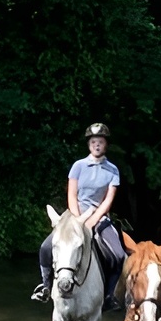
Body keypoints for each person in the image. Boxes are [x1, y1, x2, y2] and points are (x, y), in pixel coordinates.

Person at [33, 123, 126, 304]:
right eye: (93, 141)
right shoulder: (78, 166)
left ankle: (108, 295)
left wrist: (92, 221)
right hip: (75, 213)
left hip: (98, 216)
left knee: (118, 255)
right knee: (45, 247)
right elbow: (72, 194)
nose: (97, 145)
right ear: (88, 144)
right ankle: (45, 286)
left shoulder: (113, 170)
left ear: (106, 144)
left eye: (100, 141)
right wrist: (77, 220)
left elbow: (107, 201)